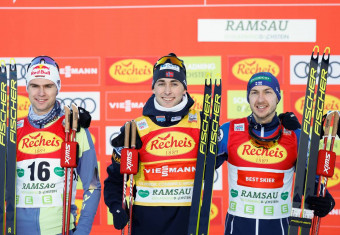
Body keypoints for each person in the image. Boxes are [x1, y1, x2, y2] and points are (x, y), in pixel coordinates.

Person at [216, 72, 335, 235]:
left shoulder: (294, 135)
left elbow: (311, 181)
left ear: (277, 97)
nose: (260, 99)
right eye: (254, 92)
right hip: (237, 228)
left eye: (268, 92)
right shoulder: (229, 130)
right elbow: (202, 168)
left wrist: (324, 200)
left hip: (279, 228)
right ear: (248, 97)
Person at [104, 53, 200, 235]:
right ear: (153, 87)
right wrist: (117, 208)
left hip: (188, 226)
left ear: (184, 88)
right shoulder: (135, 129)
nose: (167, 91)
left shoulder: (201, 125)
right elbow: (115, 180)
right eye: (161, 83)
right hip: (145, 227)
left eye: (174, 84)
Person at [16, 56, 101, 235]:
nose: (41, 93)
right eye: (35, 86)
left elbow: (92, 185)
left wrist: (82, 231)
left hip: (60, 230)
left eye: (48, 86)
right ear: (27, 88)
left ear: (58, 87)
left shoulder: (75, 129)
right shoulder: (12, 131)